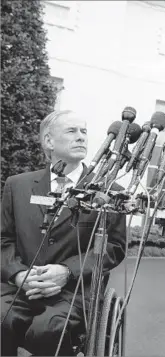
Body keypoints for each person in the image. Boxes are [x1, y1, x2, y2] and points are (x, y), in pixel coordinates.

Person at [1, 110, 126, 356]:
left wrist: (67, 271)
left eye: (84, 131)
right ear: (48, 141)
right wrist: (18, 275)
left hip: (74, 291)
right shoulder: (18, 185)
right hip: (22, 286)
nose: (81, 137)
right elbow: (3, 239)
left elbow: (114, 247)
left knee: (48, 329)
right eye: (72, 131)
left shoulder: (109, 191)